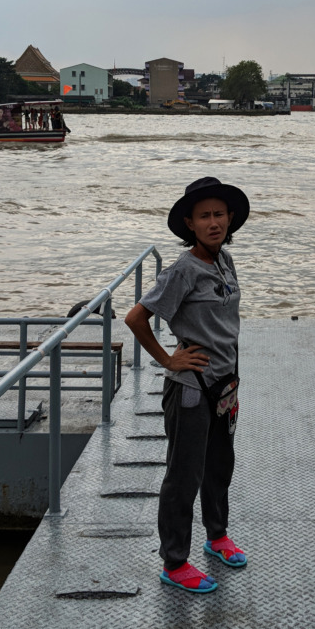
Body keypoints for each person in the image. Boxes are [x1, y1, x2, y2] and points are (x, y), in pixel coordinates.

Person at [124, 176, 250, 594]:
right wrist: (167, 358)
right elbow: (136, 318)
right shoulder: (183, 269)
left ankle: (217, 537)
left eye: (219, 215)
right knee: (184, 476)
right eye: (204, 216)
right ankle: (175, 562)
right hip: (192, 389)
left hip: (224, 386)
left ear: (230, 219)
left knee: (219, 468)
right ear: (189, 224)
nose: (213, 222)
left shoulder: (223, 261)